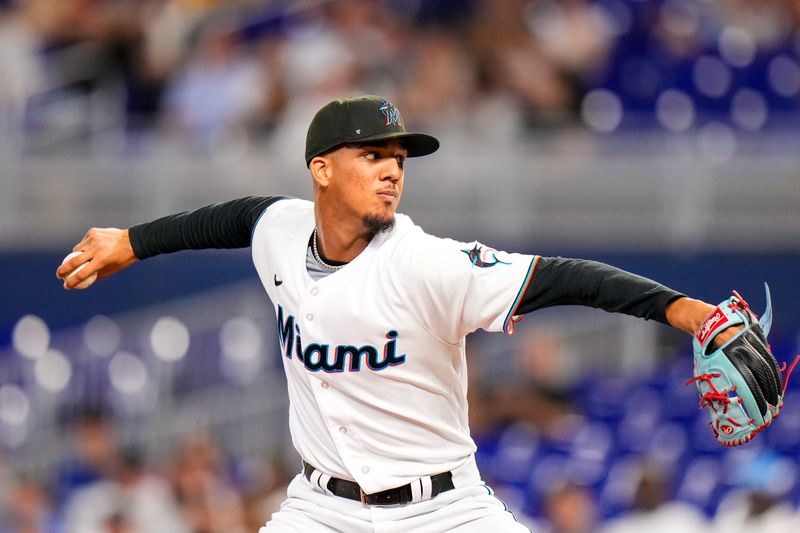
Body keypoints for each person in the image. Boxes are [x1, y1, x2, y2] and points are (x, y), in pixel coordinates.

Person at [57, 95, 739, 532]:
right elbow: (229, 218)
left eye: (399, 159)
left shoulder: (427, 264)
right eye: (373, 154)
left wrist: (686, 311)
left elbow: (564, 277)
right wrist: (131, 242)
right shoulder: (281, 230)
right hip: (322, 509)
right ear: (321, 170)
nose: (393, 170)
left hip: (445, 509)